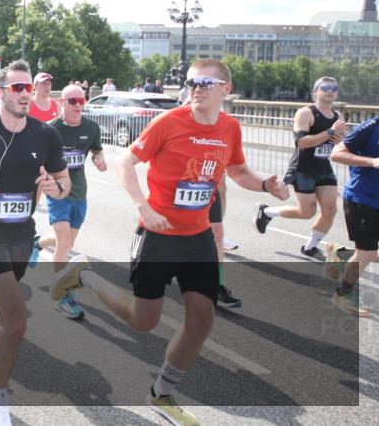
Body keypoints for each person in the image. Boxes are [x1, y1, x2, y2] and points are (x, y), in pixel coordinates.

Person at [51, 60, 290, 426]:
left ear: (227, 89)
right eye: (192, 81)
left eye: (207, 82)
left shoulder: (230, 127)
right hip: (158, 237)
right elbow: (126, 162)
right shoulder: (169, 121)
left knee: (202, 319)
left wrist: (264, 185)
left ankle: (160, 394)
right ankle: (85, 277)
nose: (197, 88)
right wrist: (142, 206)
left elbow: (237, 170)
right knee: (143, 321)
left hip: (198, 238)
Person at [0, 60, 70, 426]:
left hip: (22, 236)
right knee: (16, 319)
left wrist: (56, 188)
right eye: (18, 88)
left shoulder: (46, 135)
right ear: (1, 91)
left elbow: (63, 181)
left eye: (29, 89)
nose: (26, 95)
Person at [28, 85, 106, 320]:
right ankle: (61, 295)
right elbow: (38, 164)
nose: (78, 105)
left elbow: (95, 150)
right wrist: (36, 195)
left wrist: (99, 159)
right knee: (64, 243)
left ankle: (38, 243)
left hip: (79, 192)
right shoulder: (51, 130)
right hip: (58, 191)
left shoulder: (91, 128)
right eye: (73, 101)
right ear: (62, 102)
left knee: (68, 241)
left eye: (82, 101)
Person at [255, 77, 347, 258]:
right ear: (315, 92)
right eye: (325, 87)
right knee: (306, 212)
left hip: (324, 167)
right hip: (303, 168)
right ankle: (267, 212)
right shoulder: (306, 113)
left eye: (333, 88)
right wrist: (329, 133)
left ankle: (310, 247)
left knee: (330, 209)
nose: (330, 91)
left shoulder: (338, 117)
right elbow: (301, 142)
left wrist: (340, 140)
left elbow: (344, 142)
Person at [327, 115, 379, 316]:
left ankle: (341, 254)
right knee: (365, 252)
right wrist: (372, 161)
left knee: (364, 253)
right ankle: (343, 294)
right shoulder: (372, 127)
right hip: (363, 199)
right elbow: (337, 154)